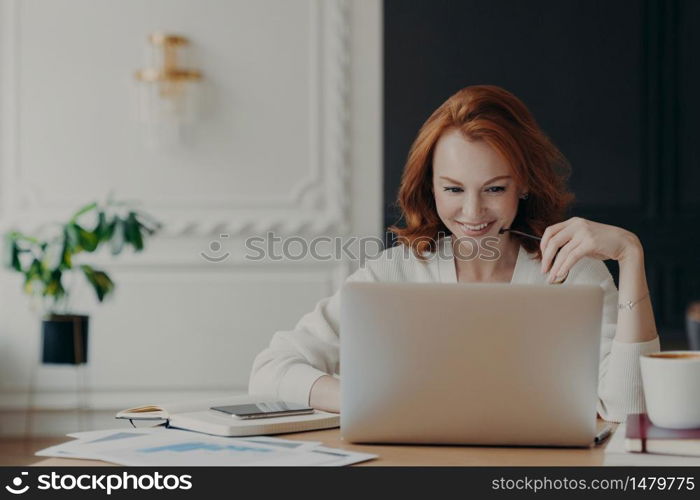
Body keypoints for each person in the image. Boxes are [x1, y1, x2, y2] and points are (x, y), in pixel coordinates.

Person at [248, 85, 660, 423]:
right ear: (430, 187)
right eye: (453, 189)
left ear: (524, 185)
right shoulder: (394, 274)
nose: (473, 212)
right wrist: (368, 399)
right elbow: (270, 371)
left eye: (495, 189)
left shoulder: (576, 273)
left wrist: (630, 255)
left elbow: (630, 408)